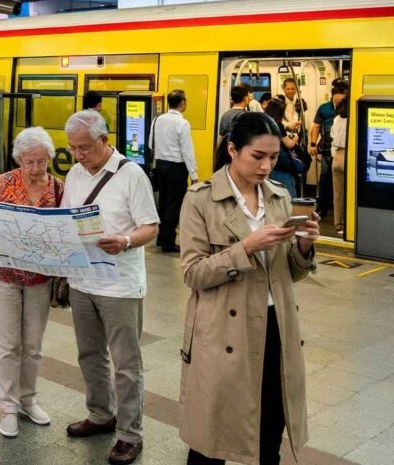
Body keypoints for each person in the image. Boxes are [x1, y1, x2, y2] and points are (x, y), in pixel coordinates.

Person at [181, 111, 318, 465]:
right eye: (258, 156)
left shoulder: (279, 197)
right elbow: (194, 274)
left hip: (276, 326)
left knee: (271, 425)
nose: (266, 166)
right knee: (211, 434)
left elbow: (291, 274)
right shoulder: (200, 199)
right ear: (232, 149)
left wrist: (303, 247)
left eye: (273, 157)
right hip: (224, 330)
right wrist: (246, 247)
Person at [61, 110, 159, 465]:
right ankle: (101, 414)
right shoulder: (73, 173)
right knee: (89, 354)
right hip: (82, 281)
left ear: (104, 139)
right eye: (73, 148)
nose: (78, 155)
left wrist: (127, 240)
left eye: (85, 147)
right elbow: (64, 217)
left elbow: (151, 227)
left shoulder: (132, 175)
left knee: (126, 363)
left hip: (119, 285)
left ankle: (130, 435)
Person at [0, 127, 65, 438]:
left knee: (33, 344)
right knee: (7, 344)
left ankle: (28, 398)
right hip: (3, 274)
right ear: (18, 160)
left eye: (42, 161)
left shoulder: (59, 189)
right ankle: (8, 406)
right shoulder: (3, 183)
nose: (37, 169)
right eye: (29, 162)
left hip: (39, 277)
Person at [151, 90, 198, 252]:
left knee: (163, 203)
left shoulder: (157, 119)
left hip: (160, 166)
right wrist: (194, 174)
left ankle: (161, 238)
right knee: (174, 205)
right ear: (182, 103)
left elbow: (151, 144)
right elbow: (187, 151)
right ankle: (168, 242)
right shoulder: (182, 123)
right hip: (176, 168)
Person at [309, 82, 348, 219]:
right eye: (336, 100)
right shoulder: (324, 108)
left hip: (343, 148)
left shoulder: (347, 107)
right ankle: (323, 207)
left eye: (341, 100)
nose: (338, 102)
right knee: (325, 178)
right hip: (326, 147)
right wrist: (313, 144)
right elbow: (316, 126)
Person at [263, 100, 301, 197]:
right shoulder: (277, 125)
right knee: (287, 193)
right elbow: (288, 144)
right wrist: (296, 137)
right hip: (280, 163)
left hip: (266, 162)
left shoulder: (263, 122)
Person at [331, 98, 349, 236]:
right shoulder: (353, 119)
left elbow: (332, 136)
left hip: (337, 155)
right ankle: (350, 222)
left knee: (338, 193)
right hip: (349, 155)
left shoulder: (337, 119)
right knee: (350, 192)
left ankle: (339, 224)